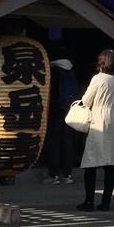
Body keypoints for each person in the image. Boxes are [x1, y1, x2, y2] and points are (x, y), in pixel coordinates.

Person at [77, 48, 114, 211]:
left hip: (99, 117)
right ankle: (106, 202)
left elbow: (86, 100)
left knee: (91, 160)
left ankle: (89, 201)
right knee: (110, 162)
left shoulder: (98, 78)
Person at [41, 45, 80, 185]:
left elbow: (52, 92)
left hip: (56, 110)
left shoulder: (54, 71)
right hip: (70, 110)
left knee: (54, 142)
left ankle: (54, 174)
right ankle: (67, 174)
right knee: (67, 142)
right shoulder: (71, 71)